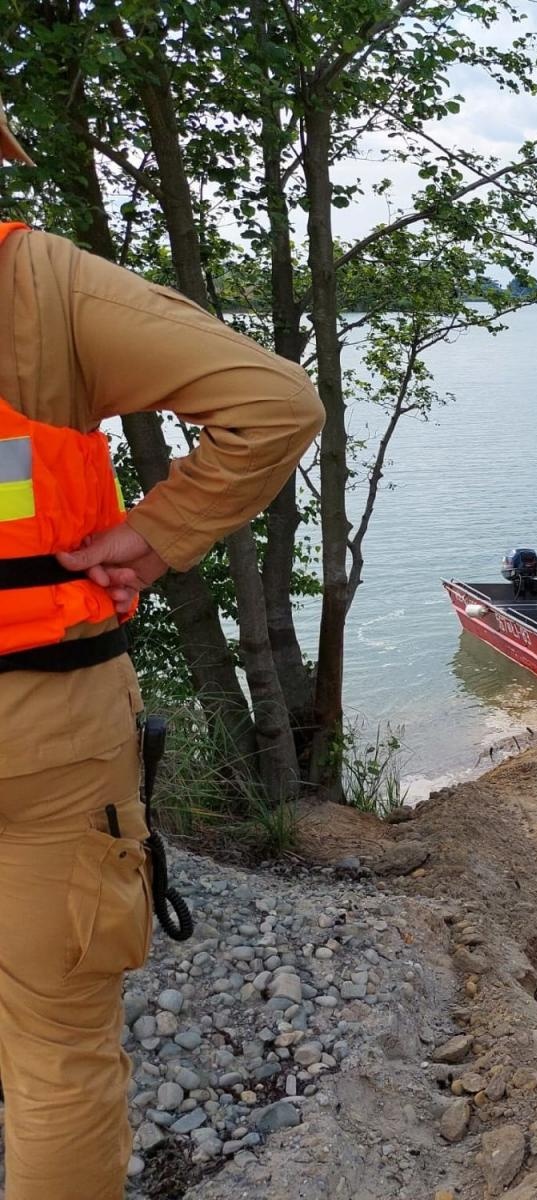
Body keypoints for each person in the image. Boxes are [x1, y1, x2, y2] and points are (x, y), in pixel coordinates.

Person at [0, 98, 323, 1199]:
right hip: (40, 727)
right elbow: (275, 404)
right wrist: (158, 531)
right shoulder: (36, 285)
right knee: (55, 1058)